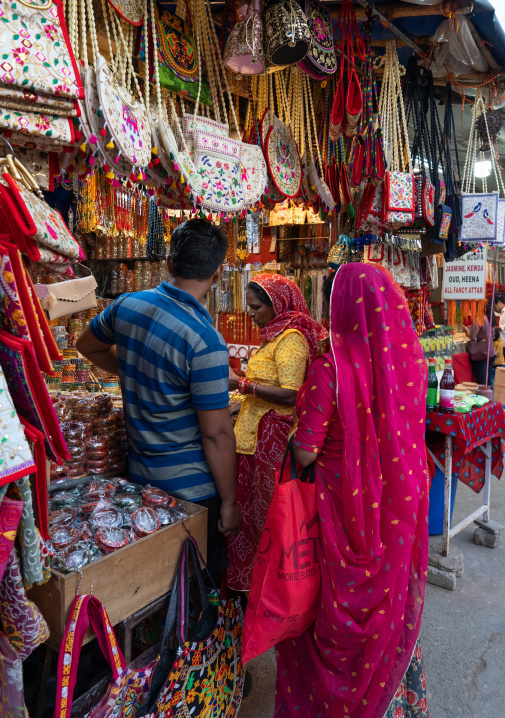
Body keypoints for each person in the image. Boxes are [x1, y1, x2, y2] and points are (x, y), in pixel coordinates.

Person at [275, 263, 429, 718]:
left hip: (339, 509)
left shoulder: (330, 369)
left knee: (333, 612)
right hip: (394, 508)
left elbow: (304, 452)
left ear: (339, 305)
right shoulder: (407, 363)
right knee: (388, 603)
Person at [76, 219, 242, 577]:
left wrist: (134, 370)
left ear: (169, 263)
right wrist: (229, 503)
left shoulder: (127, 306)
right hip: (192, 494)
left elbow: (85, 345)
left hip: (140, 482)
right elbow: (216, 434)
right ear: (218, 273)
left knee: (152, 585)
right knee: (196, 590)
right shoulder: (205, 340)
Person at [227, 274, 327, 591]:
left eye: (256, 307)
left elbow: (292, 394)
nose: (251, 314)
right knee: (253, 517)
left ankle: (271, 591)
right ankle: (252, 586)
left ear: (276, 305)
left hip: (271, 442)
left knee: (266, 518)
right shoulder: (274, 337)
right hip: (255, 439)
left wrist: (240, 384)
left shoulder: (291, 340)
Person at [466, 313, 495, 387]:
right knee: (487, 381)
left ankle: (485, 397)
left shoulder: (479, 319)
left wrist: (467, 331)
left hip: (480, 354)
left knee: (483, 382)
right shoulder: (487, 317)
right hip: (489, 351)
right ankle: (489, 397)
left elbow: (472, 336)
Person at [494, 293, 505, 363]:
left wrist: (499, 328)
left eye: (495, 306)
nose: (495, 309)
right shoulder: (503, 311)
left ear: (499, 302)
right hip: (504, 343)